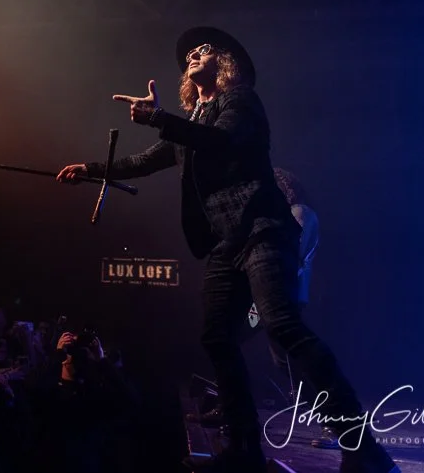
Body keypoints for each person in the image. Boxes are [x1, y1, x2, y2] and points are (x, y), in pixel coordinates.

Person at [57, 26, 398, 473]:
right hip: (224, 242)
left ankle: (363, 447)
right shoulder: (190, 124)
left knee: (283, 326)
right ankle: (243, 449)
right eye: (190, 53)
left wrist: (160, 118)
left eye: (205, 50)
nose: (194, 54)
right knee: (217, 336)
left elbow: (220, 141)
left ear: (226, 63)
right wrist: (90, 169)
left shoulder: (240, 102)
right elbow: (144, 161)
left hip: (262, 229)